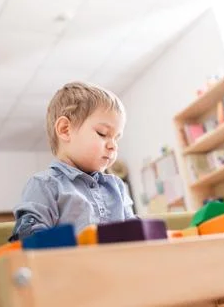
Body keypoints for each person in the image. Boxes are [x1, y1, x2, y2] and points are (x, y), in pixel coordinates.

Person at [10, 81, 135, 241]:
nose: (113, 146)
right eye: (102, 134)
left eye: (117, 138)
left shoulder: (117, 187)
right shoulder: (45, 185)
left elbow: (135, 234)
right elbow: (29, 238)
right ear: (65, 130)